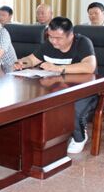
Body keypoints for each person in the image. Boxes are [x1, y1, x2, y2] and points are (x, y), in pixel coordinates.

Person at [14, 16, 97, 154]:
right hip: (57, 87)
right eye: (51, 37)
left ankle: (79, 137)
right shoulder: (49, 44)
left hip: (83, 89)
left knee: (71, 108)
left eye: (58, 38)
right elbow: (32, 59)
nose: (53, 41)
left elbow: (89, 67)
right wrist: (22, 62)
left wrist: (58, 68)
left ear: (71, 35)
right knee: (30, 101)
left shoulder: (82, 43)